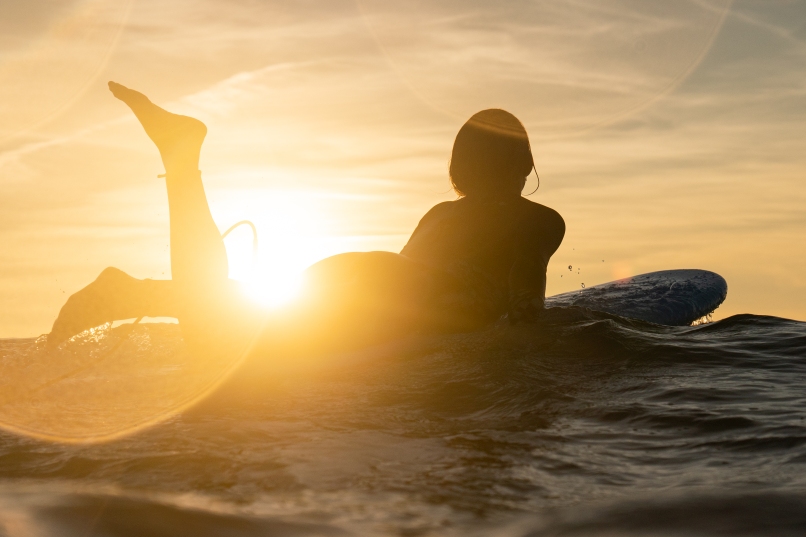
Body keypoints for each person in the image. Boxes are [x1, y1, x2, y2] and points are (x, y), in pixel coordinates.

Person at [47, 82, 565, 350]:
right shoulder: (541, 221)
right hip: (392, 296)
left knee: (222, 336)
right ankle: (178, 163)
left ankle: (146, 287)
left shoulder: (439, 214)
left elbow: (411, 279)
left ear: (461, 166)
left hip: (361, 277)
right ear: (524, 163)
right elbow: (522, 320)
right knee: (216, 345)